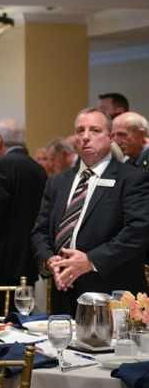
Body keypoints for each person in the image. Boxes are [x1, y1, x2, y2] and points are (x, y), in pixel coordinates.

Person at [31, 107, 149, 316]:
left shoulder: (132, 178)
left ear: (111, 137)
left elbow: (137, 231)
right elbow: (39, 231)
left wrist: (90, 261)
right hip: (64, 292)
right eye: (80, 131)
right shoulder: (57, 182)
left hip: (111, 294)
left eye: (95, 130)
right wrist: (49, 260)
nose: (86, 137)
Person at [0, 119, 47, 287]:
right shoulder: (38, 168)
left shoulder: (1, 165)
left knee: (0, 310)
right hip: (30, 256)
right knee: (25, 310)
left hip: (4, 257)